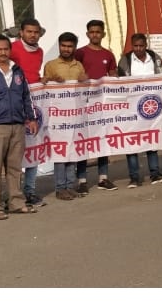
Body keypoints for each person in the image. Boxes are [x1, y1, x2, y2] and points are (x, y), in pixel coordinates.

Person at [0, 35, 39, 220]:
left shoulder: (17, 70)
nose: (3, 52)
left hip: (17, 125)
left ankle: (16, 203)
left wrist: (31, 118)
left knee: (14, 167)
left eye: (6, 49)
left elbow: (26, 96)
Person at [116, 33, 162, 187]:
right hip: (132, 107)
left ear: (146, 45)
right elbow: (120, 83)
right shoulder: (125, 61)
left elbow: (161, 76)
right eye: (136, 46)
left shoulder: (154, 58)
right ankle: (134, 177)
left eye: (141, 46)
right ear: (132, 46)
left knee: (151, 139)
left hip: (151, 105)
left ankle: (155, 173)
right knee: (131, 141)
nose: (138, 49)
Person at [42, 32, 88, 200]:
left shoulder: (79, 66)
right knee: (60, 153)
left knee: (72, 151)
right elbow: (43, 86)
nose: (66, 49)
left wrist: (85, 80)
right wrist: (50, 79)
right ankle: (60, 188)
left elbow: (84, 89)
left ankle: (70, 186)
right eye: (63, 45)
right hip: (58, 117)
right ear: (59, 46)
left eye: (70, 46)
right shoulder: (51, 65)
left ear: (74, 47)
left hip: (75, 116)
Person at [74, 20, 118, 193]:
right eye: (92, 32)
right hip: (83, 103)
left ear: (103, 34)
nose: (95, 35)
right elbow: (73, 73)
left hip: (102, 105)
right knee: (83, 140)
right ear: (87, 34)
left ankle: (103, 177)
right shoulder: (79, 53)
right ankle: (82, 180)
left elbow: (113, 75)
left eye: (98, 32)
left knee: (102, 139)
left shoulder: (108, 54)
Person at [8, 18, 46, 208]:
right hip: (14, 105)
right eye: (29, 31)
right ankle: (13, 193)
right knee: (14, 152)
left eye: (35, 32)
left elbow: (33, 74)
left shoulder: (40, 51)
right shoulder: (12, 49)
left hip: (34, 104)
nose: (32, 35)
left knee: (34, 147)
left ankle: (29, 190)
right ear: (21, 32)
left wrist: (41, 81)